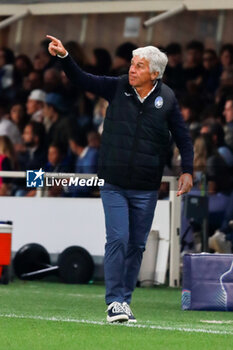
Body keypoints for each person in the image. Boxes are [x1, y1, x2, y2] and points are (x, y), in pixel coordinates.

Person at [47, 34, 193, 323]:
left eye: (139, 66)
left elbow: (183, 137)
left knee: (137, 245)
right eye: (132, 63)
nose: (132, 69)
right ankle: (114, 301)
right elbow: (83, 79)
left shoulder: (169, 99)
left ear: (154, 73)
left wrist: (187, 170)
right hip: (113, 183)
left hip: (146, 187)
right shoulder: (117, 87)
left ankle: (125, 301)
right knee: (118, 239)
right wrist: (64, 56)